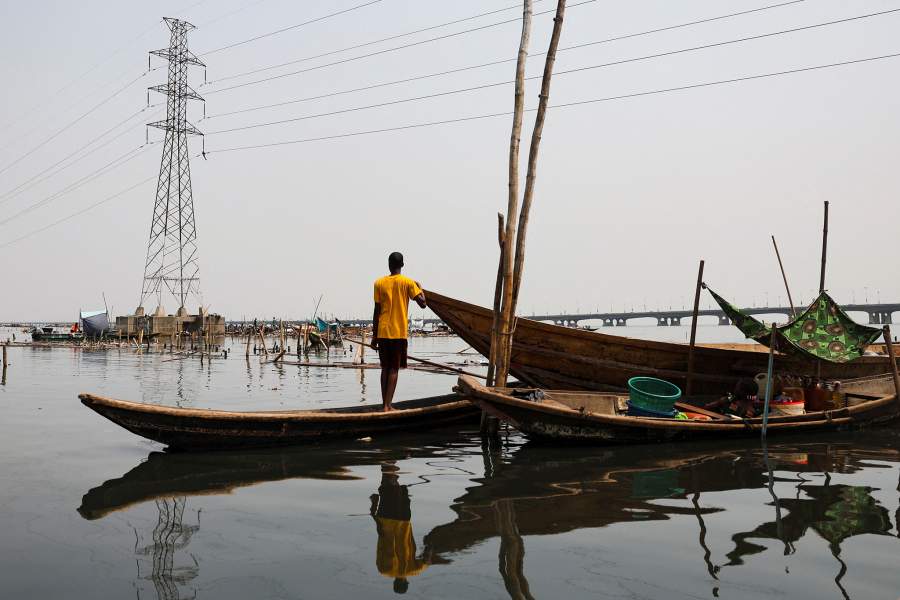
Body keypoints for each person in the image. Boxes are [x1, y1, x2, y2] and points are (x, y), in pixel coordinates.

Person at [372, 252, 426, 412]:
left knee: (385, 368)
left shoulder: (379, 283)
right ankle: (388, 406)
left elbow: (376, 311)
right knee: (394, 369)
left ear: (389, 264)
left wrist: (374, 335)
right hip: (397, 332)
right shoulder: (408, 282)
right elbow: (423, 304)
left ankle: (384, 405)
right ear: (402, 265)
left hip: (382, 331)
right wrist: (420, 288)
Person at [370, 462, 429, 593]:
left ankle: (390, 463)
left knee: (397, 489)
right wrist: (373, 509)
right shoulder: (383, 570)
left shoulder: (414, 570)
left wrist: (427, 545)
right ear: (394, 583)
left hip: (404, 521)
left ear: (406, 582)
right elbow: (380, 539)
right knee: (387, 488)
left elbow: (428, 556)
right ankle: (389, 464)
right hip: (386, 520)